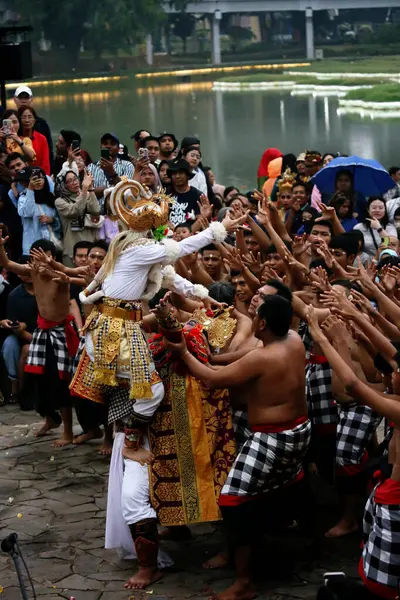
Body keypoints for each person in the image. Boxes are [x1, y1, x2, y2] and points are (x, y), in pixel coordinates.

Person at [69, 179, 245, 589]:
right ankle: (130, 439)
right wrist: (219, 228)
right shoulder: (139, 246)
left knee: (145, 394)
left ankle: (135, 446)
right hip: (116, 329)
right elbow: (179, 250)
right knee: (154, 392)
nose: (160, 234)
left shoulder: (131, 247)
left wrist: (204, 298)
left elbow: (173, 279)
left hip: (113, 326)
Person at [168, 295, 311, 600]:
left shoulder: (264, 357)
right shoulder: (295, 340)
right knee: (268, 493)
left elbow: (214, 379)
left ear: (262, 323)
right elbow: (237, 358)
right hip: (298, 429)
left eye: (256, 314)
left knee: (232, 500)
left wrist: (184, 353)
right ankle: (271, 551)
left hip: (272, 438)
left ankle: (244, 581)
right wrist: (211, 354)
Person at [0, 236, 84, 445]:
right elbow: (7, 264)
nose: (36, 261)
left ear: (51, 256)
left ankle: (67, 430)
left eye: (41, 256)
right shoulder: (32, 273)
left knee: (60, 382)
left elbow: (78, 275)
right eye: (33, 256)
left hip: (60, 334)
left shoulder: (61, 273)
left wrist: (55, 269)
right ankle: (50, 419)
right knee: (34, 382)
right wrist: (1, 246)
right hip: (41, 333)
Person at [1, 255, 37, 403]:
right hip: (22, 337)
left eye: (30, 270)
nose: (27, 274)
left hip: (47, 333)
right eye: (23, 270)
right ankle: (17, 390)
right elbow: (15, 326)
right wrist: (21, 329)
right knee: (13, 345)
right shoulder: (14, 295)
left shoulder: (47, 290)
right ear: (17, 273)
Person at [55, 167, 100, 266]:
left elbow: (96, 211)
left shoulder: (86, 194)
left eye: (75, 179)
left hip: (89, 247)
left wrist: (91, 188)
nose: (74, 182)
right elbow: (74, 211)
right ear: (64, 185)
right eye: (69, 181)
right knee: (72, 279)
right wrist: (84, 191)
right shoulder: (60, 201)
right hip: (71, 249)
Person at [15, 167, 61, 255]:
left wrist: (51, 220)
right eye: (34, 179)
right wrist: (30, 189)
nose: (38, 181)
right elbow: (28, 212)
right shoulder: (23, 198)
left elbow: (60, 223)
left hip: (50, 247)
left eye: (40, 177)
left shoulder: (50, 198)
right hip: (31, 248)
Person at [88, 133, 134, 207]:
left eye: (112, 144)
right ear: (101, 146)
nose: (108, 146)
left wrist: (112, 173)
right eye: (105, 143)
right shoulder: (91, 167)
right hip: (97, 214)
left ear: (118, 148)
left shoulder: (127, 165)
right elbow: (87, 193)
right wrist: (107, 189)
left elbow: (127, 191)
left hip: (119, 213)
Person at [13, 85, 53, 166]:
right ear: (15, 99)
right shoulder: (10, 123)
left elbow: (49, 151)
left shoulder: (41, 124)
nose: (23, 101)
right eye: (20, 98)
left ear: (31, 99)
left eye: (26, 98)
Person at [166, 159, 202, 227]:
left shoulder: (197, 195)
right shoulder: (164, 194)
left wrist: (188, 232)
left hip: (191, 235)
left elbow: (200, 219)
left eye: (181, 173)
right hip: (167, 234)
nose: (177, 176)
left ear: (188, 175)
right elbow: (158, 216)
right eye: (174, 173)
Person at [17, 107, 50, 175]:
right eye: (23, 117)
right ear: (19, 120)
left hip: (38, 176)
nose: (27, 120)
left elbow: (45, 163)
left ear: (34, 120)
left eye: (30, 117)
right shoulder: (15, 138)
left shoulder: (41, 138)